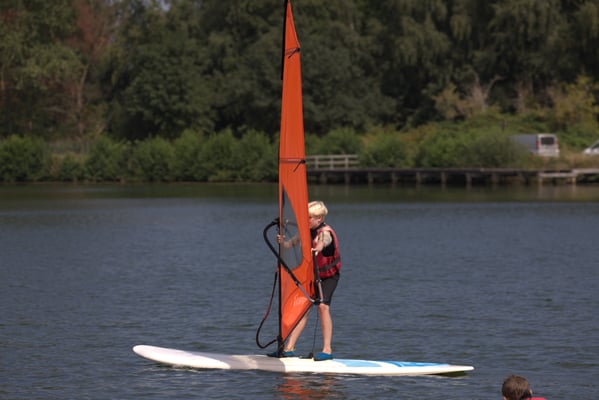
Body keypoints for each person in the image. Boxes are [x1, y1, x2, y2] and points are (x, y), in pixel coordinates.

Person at [272, 200, 341, 361]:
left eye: (309, 218)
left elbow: (324, 240)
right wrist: (282, 242)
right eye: (305, 217)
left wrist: (319, 247)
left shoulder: (325, 232)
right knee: (302, 309)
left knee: (323, 307)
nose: (306, 220)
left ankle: (327, 350)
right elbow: (289, 244)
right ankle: (288, 348)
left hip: (328, 277)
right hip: (312, 276)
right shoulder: (306, 232)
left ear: (319, 218)